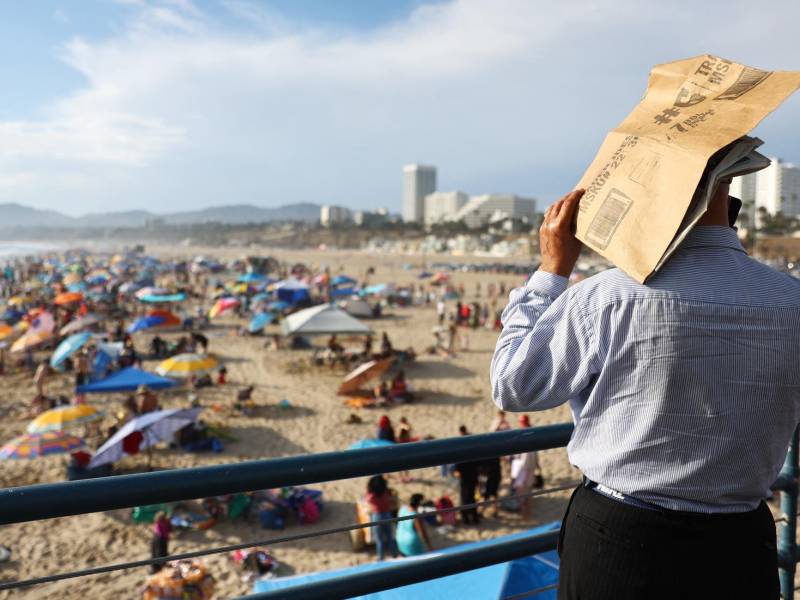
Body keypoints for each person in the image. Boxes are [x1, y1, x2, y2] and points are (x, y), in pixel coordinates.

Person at [491, 185, 800, 599]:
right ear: (727, 190)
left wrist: (551, 272)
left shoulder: (609, 295)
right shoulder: (791, 301)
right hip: (740, 540)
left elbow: (513, 387)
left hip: (621, 535)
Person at [510, 415, 541, 520]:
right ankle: (528, 514)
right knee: (528, 494)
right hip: (529, 470)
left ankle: (525, 516)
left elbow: (524, 462)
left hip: (524, 472)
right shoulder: (532, 433)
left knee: (522, 497)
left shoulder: (524, 435)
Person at [365, 475, 398, 561]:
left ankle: (381, 557)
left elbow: (367, 499)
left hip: (377, 516)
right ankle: (394, 554)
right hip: (387, 515)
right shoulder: (386, 493)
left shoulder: (372, 497)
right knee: (390, 537)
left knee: (379, 540)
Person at [453, 425, 480, 525]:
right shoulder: (472, 446)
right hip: (473, 476)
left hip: (465, 478)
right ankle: (474, 518)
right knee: (471, 498)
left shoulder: (461, 447)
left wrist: (456, 473)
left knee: (465, 499)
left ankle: (467, 519)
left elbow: (457, 468)